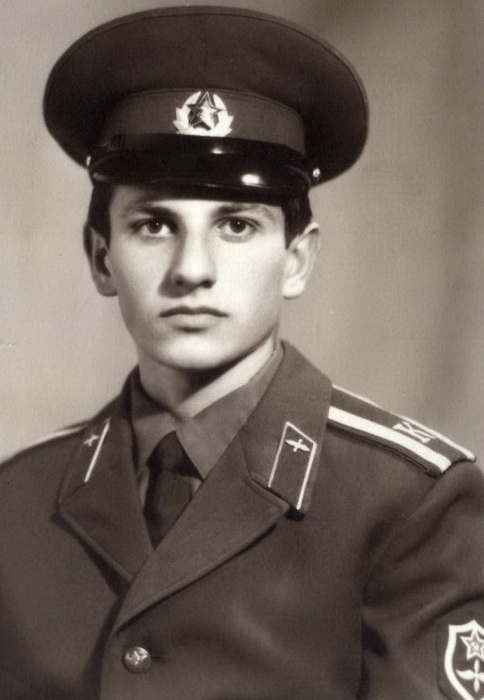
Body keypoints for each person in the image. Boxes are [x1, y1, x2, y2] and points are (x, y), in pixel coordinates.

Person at [0, 6, 483, 700]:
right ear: (102, 259)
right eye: (153, 225)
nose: (192, 269)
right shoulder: (17, 502)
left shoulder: (409, 505)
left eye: (235, 225)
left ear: (296, 259)